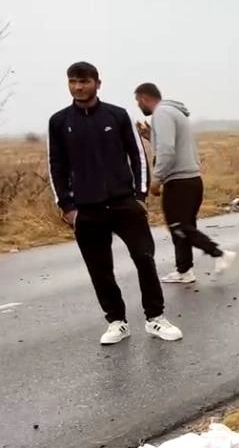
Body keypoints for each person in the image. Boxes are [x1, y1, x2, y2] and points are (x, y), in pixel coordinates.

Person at [47, 62, 183, 345]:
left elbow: (138, 155)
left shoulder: (117, 116)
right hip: (86, 210)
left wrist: (140, 196)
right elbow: (56, 166)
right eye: (73, 81)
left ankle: (155, 318)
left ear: (98, 83)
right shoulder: (59, 122)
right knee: (100, 269)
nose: (78, 87)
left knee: (144, 259)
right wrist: (68, 208)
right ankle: (117, 321)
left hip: (124, 204)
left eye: (84, 81)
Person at [134, 83, 236, 284]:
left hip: (178, 182)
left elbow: (167, 150)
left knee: (179, 226)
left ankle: (219, 254)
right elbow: (171, 143)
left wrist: (157, 178)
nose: (139, 106)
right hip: (192, 181)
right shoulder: (174, 112)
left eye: (138, 102)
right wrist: (150, 136)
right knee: (183, 227)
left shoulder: (161, 114)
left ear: (145, 98)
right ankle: (184, 271)